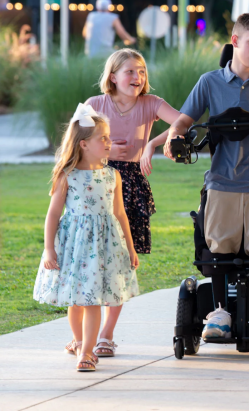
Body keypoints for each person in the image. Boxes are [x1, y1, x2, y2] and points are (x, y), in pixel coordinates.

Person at [164, 13, 249, 341]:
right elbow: (182, 121)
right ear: (235, 41)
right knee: (219, 250)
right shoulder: (209, 82)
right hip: (222, 180)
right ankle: (220, 312)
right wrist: (172, 136)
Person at [85, 48, 180, 357]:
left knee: (121, 264)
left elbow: (183, 122)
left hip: (132, 187)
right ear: (113, 76)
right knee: (92, 260)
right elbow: (75, 145)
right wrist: (106, 151)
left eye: (141, 71)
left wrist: (153, 144)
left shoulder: (151, 104)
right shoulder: (94, 105)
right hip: (98, 185)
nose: (137, 77)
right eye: (130, 71)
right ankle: (83, 335)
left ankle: (106, 335)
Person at [33, 104, 140, 372]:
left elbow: (120, 214)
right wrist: (49, 249)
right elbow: (53, 215)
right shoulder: (67, 176)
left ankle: (87, 352)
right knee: (78, 299)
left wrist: (130, 247)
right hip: (74, 245)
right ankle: (80, 341)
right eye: (102, 138)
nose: (108, 142)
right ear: (83, 144)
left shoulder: (112, 175)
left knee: (93, 298)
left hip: (105, 245)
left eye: (108, 136)